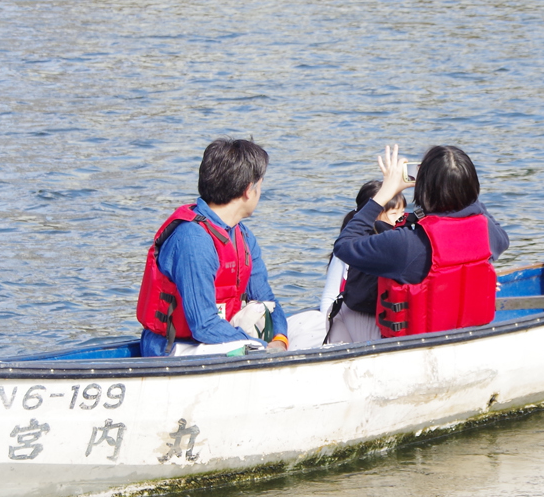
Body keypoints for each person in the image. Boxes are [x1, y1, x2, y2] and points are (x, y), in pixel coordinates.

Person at [135, 138, 323, 357]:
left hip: (221, 338)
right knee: (246, 348)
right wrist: (258, 346)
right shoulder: (193, 240)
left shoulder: (241, 234)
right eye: (260, 185)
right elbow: (203, 324)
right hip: (177, 347)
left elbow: (266, 299)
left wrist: (279, 339)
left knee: (315, 320)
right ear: (248, 190)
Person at [334, 144, 507, 338]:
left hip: (414, 345)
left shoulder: (408, 243)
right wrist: (459, 186)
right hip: (465, 336)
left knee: (343, 313)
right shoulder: (490, 234)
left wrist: (384, 192)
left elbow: (344, 245)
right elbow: (498, 234)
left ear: (424, 189)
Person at [320, 180, 407, 344]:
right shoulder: (351, 251)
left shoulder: (400, 245)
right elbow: (329, 298)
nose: (401, 218)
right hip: (354, 315)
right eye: (394, 214)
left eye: (403, 212)